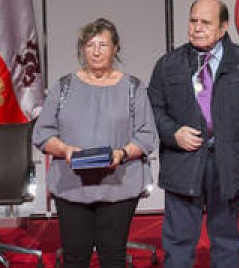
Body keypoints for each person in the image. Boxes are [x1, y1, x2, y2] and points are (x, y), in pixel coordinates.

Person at [148, 0, 239, 268]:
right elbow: (153, 109)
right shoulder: (169, 64)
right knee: (178, 241)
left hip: (229, 161)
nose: (197, 28)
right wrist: (173, 133)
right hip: (183, 161)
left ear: (223, 28)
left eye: (205, 22)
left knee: (226, 241)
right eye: (193, 21)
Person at [33, 18, 156, 268]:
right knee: (75, 257)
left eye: (103, 44)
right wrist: (65, 150)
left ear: (115, 48)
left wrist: (122, 153)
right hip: (72, 186)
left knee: (113, 257)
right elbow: (43, 134)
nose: (96, 51)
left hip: (118, 187)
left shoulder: (133, 88)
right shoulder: (63, 86)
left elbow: (146, 135)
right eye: (90, 45)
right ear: (82, 49)